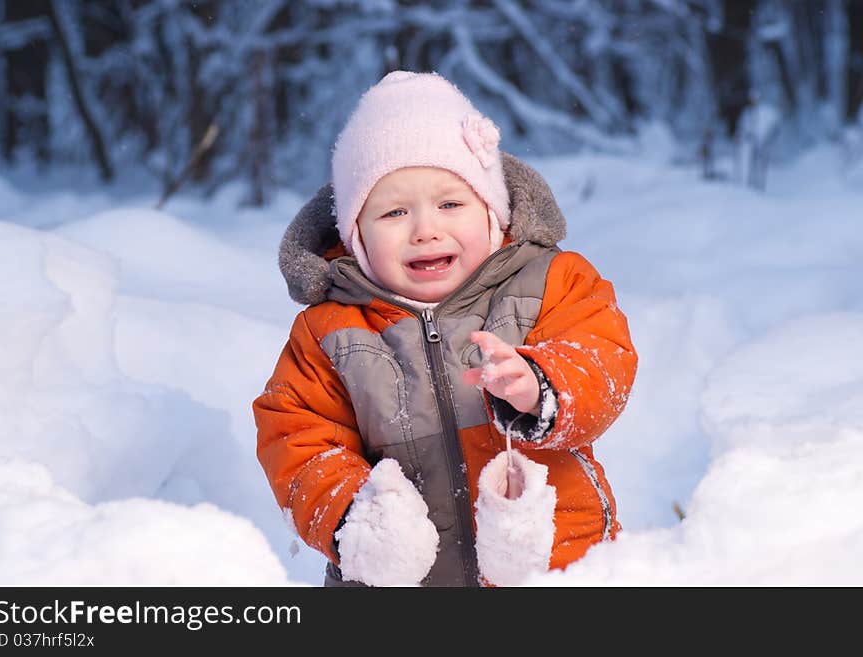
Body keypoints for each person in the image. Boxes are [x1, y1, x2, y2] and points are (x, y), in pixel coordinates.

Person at [253, 71, 637, 587]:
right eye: (393, 212)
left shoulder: (551, 282)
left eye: (450, 203)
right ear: (355, 236)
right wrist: (355, 514)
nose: (425, 229)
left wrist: (542, 384)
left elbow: (600, 355)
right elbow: (296, 438)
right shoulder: (328, 332)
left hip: (554, 566)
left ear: (492, 212)